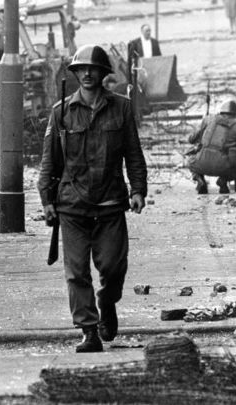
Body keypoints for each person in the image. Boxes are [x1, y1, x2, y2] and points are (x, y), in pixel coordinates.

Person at [37, 44, 147, 353]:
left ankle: (107, 302)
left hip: (111, 201)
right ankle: (88, 330)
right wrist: (46, 200)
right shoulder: (61, 111)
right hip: (71, 204)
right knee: (76, 272)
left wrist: (138, 189)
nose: (87, 74)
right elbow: (49, 161)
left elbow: (133, 153)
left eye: (93, 69)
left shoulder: (122, 108)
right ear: (73, 74)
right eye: (81, 69)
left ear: (103, 73)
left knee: (113, 267)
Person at [187, 100, 236, 194]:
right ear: (235, 113)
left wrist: (203, 126)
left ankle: (200, 180)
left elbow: (191, 139)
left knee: (190, 161)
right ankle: (223, 180)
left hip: (201, 164)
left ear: (221, 111)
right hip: (223, 167)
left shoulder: (208, 119)